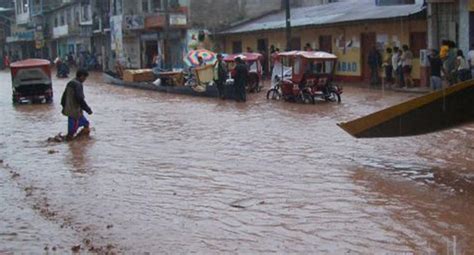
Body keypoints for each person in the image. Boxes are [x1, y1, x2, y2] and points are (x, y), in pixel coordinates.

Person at [61, 69, 93, 141]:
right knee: (72, 132)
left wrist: (64, 106)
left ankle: (81, 142)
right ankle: (73, 145)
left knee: (86, 124)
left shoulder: (70, 83)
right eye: (85, 78)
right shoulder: (78, 84)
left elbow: (64, 97)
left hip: (71, 110)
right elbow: (80, 99)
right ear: (81, 76)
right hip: (75, 112)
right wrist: (88, 109)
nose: (85, 80)